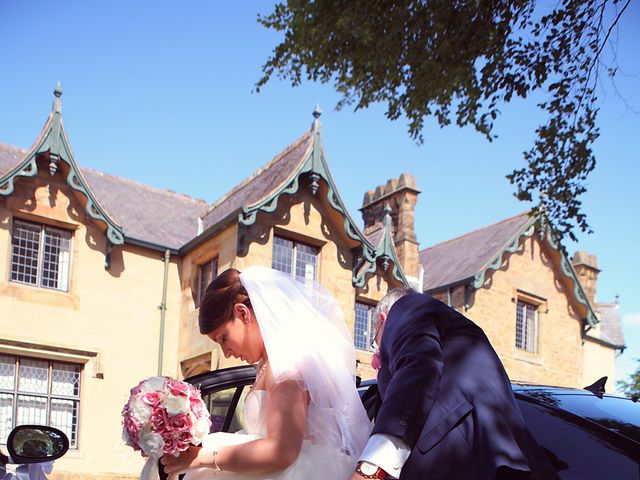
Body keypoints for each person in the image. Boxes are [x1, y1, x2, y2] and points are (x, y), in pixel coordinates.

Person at [161, 266, 371, 480]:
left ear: (242, 313)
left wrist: (204, 457)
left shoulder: (288, 367)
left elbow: (282, 451)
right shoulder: (268, 364)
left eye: (223, 338)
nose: (226, 352)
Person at [351, 288, 559, 480]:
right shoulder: (456, 338)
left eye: (376, 341)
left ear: (382, 319)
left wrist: (372, 468)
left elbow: (419, 369)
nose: (379, 354)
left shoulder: (407, 308)